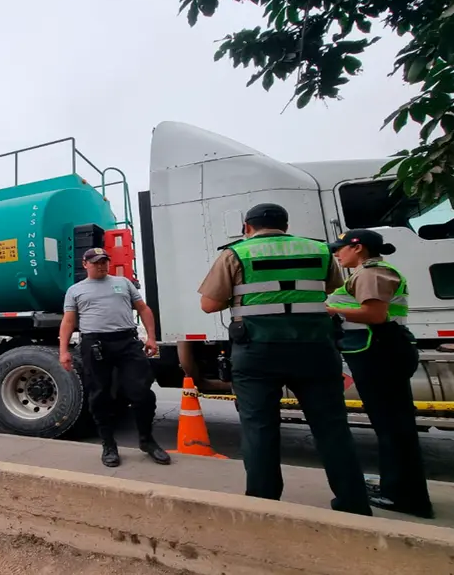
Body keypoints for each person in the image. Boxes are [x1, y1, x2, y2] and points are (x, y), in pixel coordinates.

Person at [197, 203, 372, 516]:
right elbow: (330, 288)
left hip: (258, 351)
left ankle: (263, 505)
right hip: (316, 348)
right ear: (286, 225)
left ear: (247, 227)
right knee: (332, 428)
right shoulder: (320, 250)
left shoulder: (236, 253)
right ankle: (353, 503)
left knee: (259, 428)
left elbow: (209, 304)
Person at [326, 229, 434, 519]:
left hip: (380, 351)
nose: (336, 254)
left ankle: (405, 496)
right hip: (380, 351)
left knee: (393, 427)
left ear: (357, 247)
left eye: (340, 248)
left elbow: (374, 315)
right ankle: (397, 488)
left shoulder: (372, 274)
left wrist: (331, 310)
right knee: (391, 425)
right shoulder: (366, 273)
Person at [59, 247, 171, 468]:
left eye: (104, 261)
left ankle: (147, 440)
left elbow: (143, 309)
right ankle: (108, 445)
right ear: (85, 264)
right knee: (100, 396)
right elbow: (69, 321)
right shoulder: (75, 290)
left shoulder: (123, 283)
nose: (101, 265)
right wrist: (63, 351)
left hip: (127, 342)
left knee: (142, 393)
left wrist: (151, 337)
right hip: (95, 345)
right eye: (96, 262)